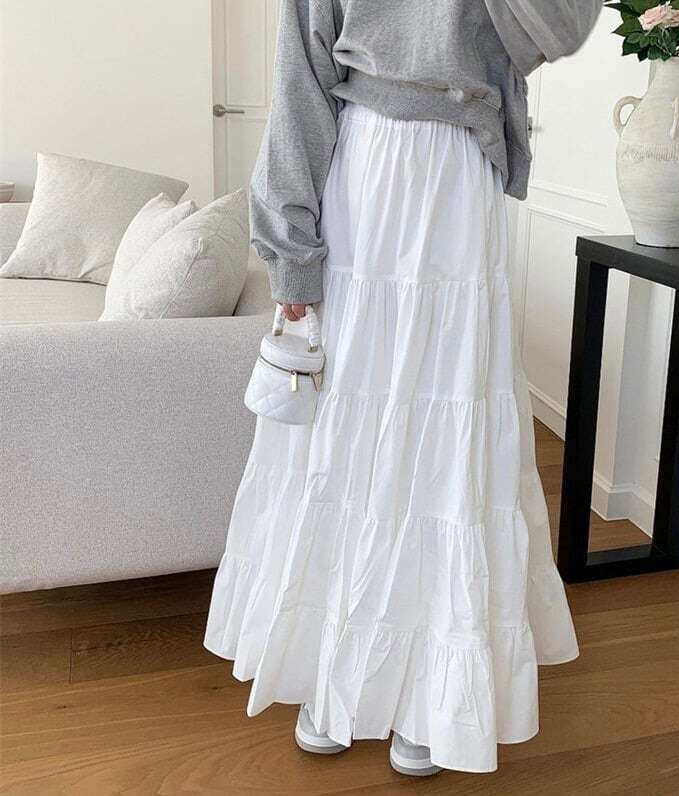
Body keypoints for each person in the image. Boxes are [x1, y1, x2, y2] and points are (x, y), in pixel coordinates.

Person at [205, 0, 601, 777]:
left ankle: (431, 692)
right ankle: (333, 672)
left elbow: (562, 28)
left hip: (461, 177)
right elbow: (300, 79)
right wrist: (290, 252)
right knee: (349, 429)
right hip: (366, 175)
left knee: (446, 440)